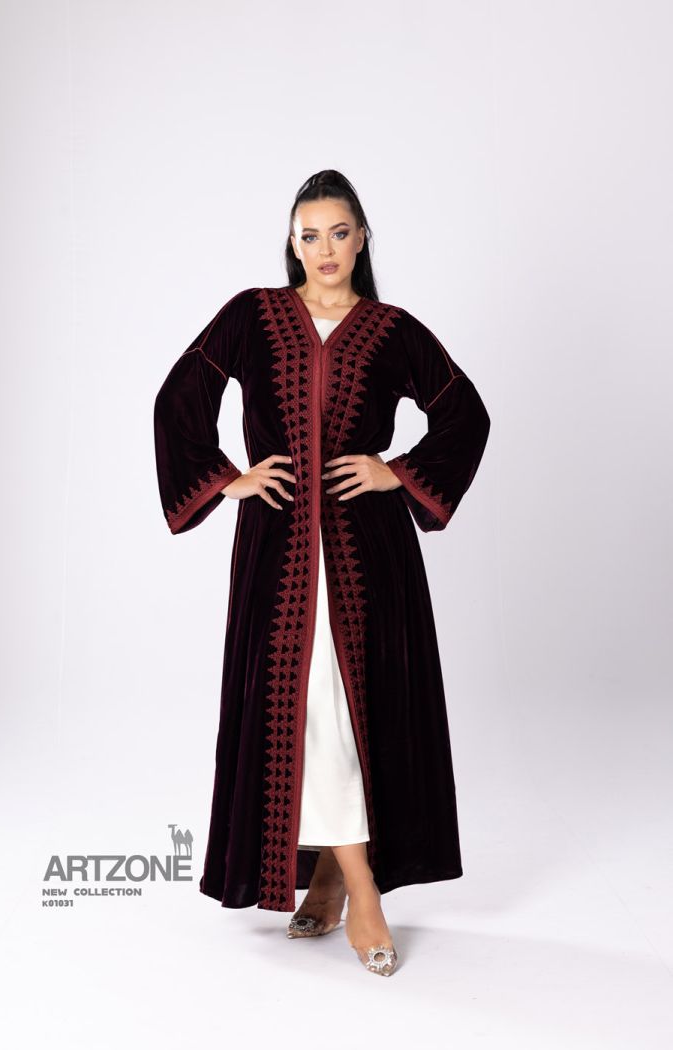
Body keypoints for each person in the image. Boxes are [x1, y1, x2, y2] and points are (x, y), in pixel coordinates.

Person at [153, 169, 491, 977]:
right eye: (310, 235)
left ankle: (347, 886)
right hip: (278, 556)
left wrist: (394, 471)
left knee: (348, 710)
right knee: (301, 716)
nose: (325, 249)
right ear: (292, 242)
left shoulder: (391, 329)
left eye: (339, 232)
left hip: (366, 557)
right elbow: (177, 399)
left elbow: (465, 413)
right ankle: (351, 885)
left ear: (362, 237)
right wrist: (230, 479)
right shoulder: (252, 315)